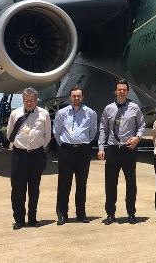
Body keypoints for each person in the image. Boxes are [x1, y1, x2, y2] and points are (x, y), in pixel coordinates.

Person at [97, 79, 145, 224]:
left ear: (127, 91)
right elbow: (103, 128)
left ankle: (131, 213)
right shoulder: (108, 108)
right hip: (113, 149)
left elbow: (142, 125)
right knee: (110, 183)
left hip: (128, 149)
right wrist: (101, 147)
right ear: (115, 91)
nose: (122, 92)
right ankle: (110, 213)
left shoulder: (134, 108)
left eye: (124, 89)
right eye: (119, 89)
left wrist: (137, 138)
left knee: (131, 183)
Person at [7, 87, 51, 230]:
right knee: (17, 189)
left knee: (34, 189)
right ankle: (19, 219)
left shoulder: (44, 114)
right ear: (23, 100)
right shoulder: (15, 114)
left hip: (36, 155)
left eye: (32, 100)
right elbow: (9, 134)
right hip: (19, 155)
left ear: (36, 100)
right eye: (26, 100)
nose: (29, 103)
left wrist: (37, 146)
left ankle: (32, 218)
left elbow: (47, 135)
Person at [53, 86, 97, 225]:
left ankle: (81, 214)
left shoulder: (90, 113)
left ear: (83, 97)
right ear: (70, 97)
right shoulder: (62, 113)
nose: (76, 98)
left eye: (79, 96)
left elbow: (93, 131)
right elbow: (56, 131)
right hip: (66, 151)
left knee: (81, 183)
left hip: (83, 151)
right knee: (64, 183)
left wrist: (83, 143)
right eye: (74, 96)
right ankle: (62, 214)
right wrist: (64, 144)